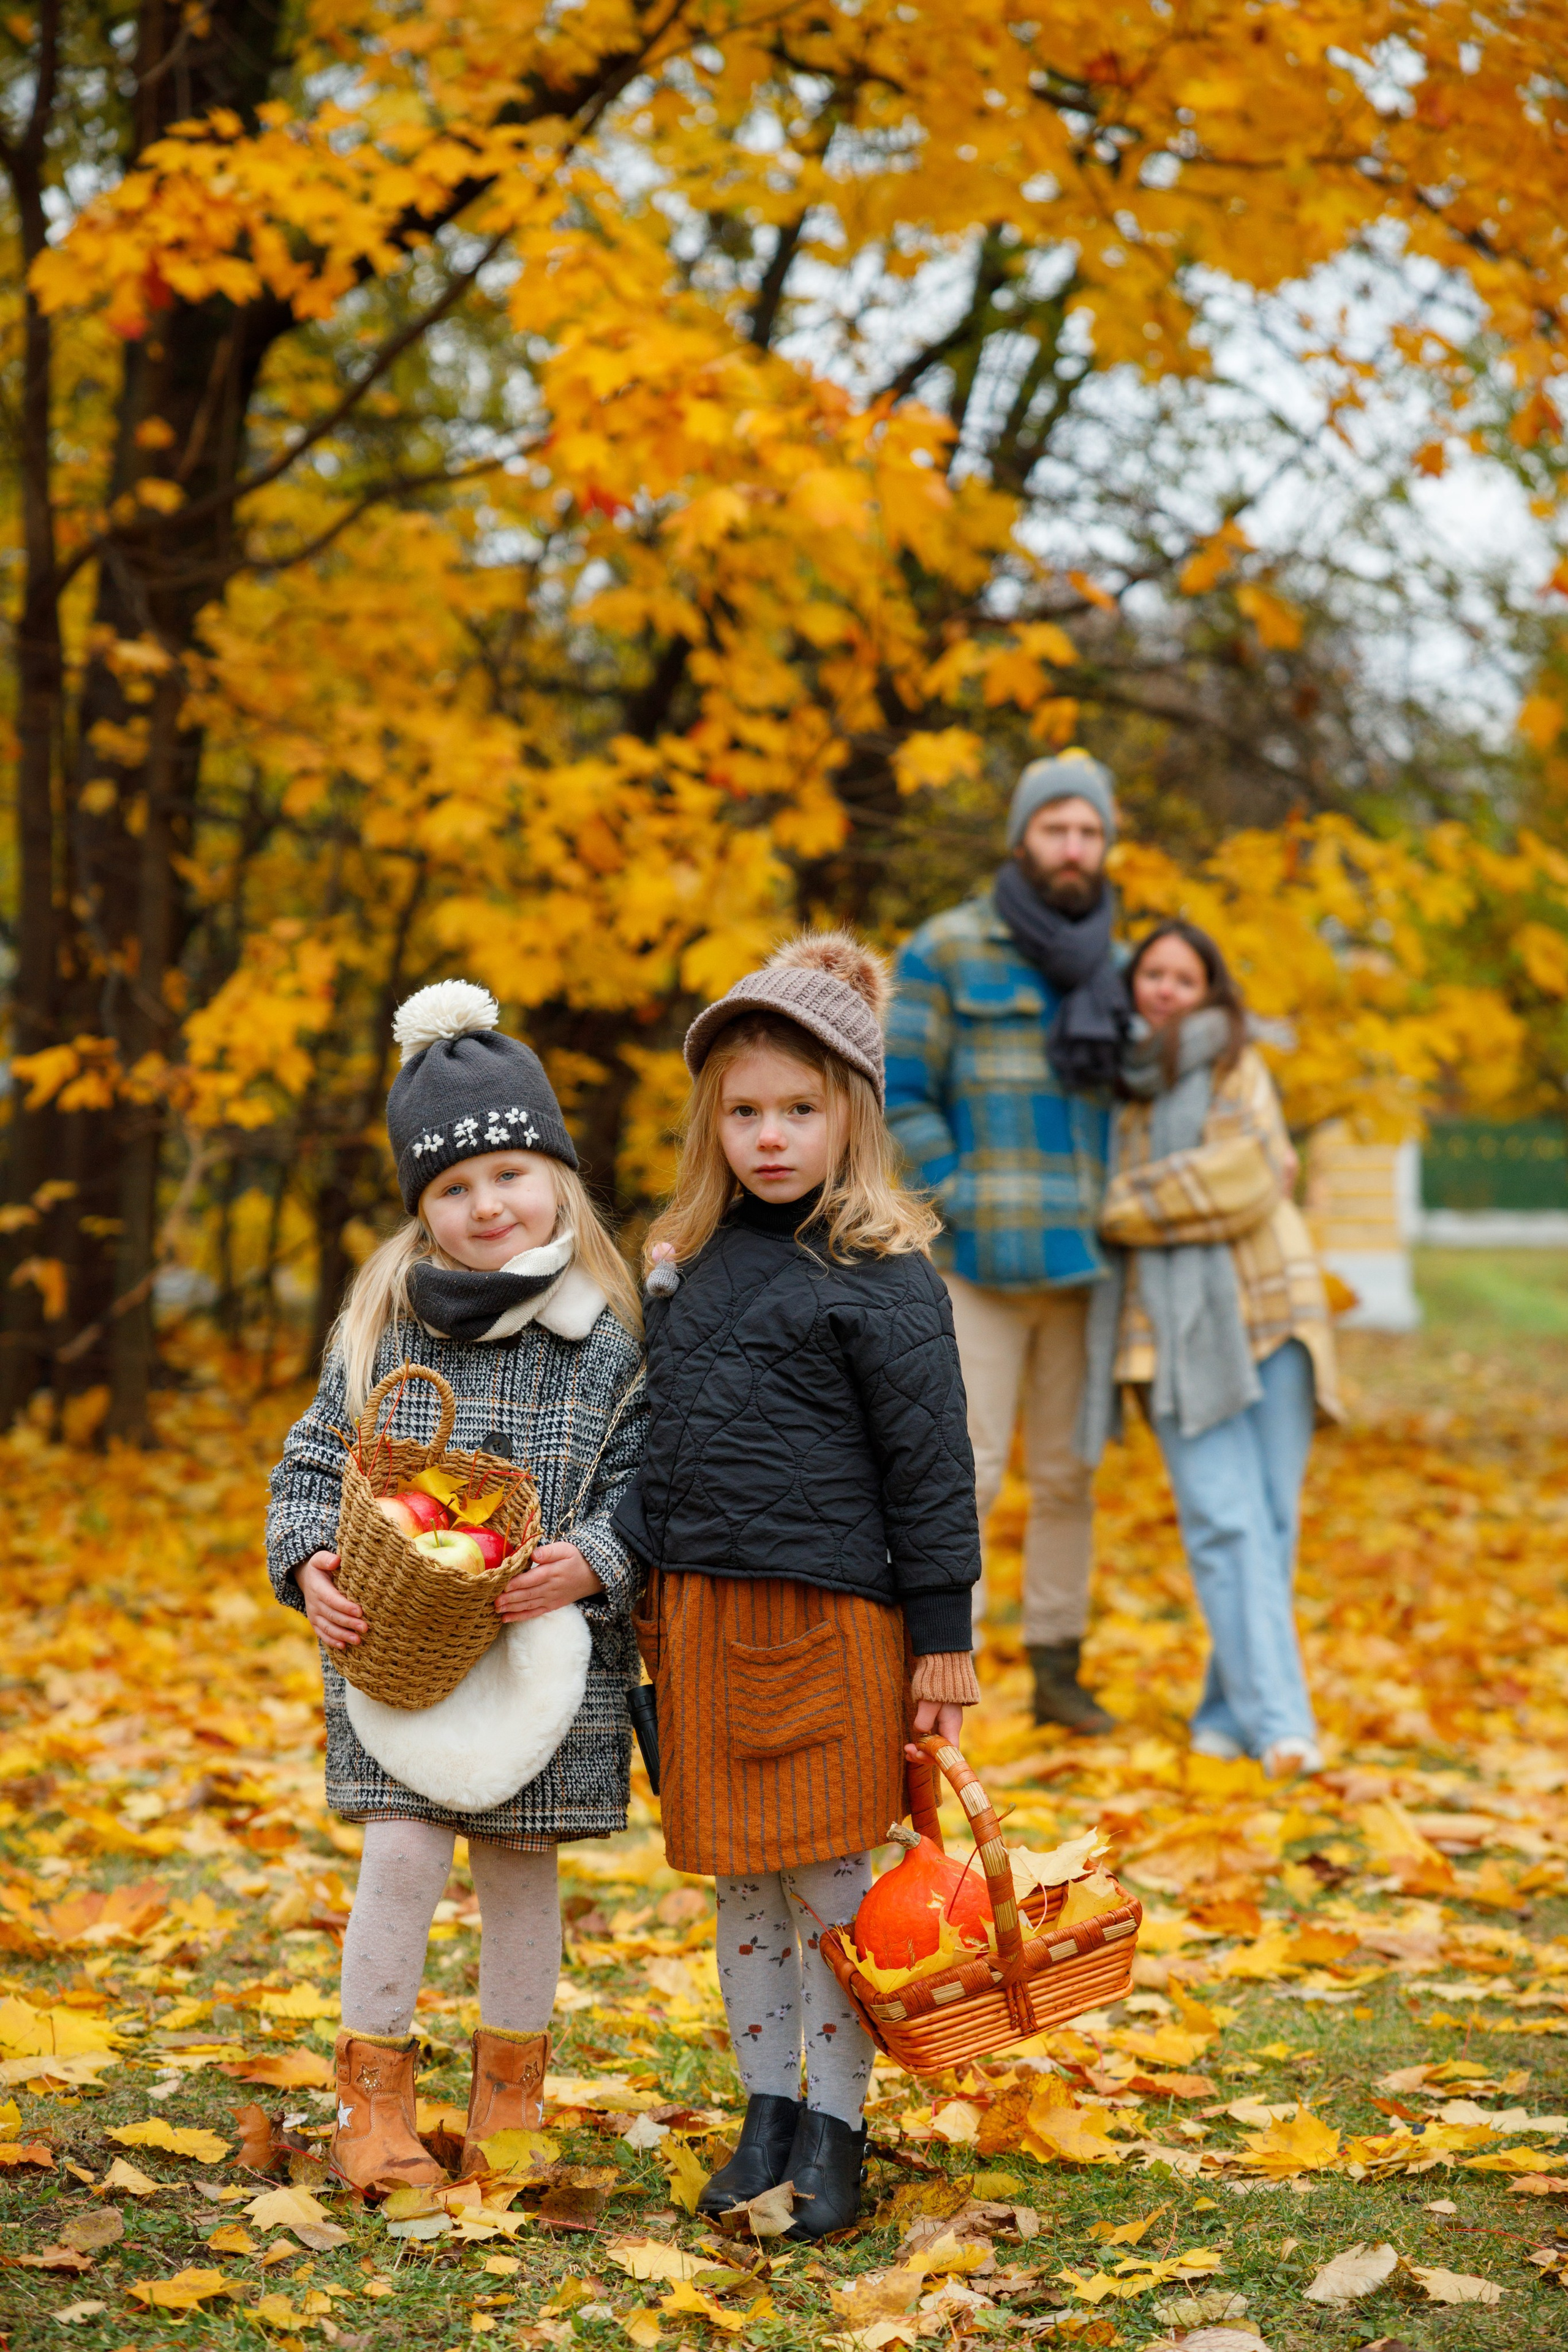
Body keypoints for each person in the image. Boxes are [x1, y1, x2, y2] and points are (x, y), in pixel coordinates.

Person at [616, 931, 982, 2239]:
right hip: (705, 1622)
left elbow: (932, 1468)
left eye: (800, 1110)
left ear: (852, 1118)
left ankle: (835, 2126)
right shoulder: (684, 1264)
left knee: (831, 1887)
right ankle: (762, 2107)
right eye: (744, 1111)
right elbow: (652, 1442)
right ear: (712, 1122)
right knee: (741, 1885)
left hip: (831, 1622)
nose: (769, 1137)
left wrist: (942, 1644)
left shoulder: (883, 1277)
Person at [266, 980, 646, 2192]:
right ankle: (369, 2100)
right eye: (452, 1188)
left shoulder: (607, 1339)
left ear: (557, 1178)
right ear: (422, 1208)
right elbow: (315, 1463)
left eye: (508, 1175)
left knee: (523, 1878)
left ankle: (509, 2106)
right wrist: (311, 1561)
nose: (486, 1206)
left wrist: (596, 1559)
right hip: (404, 1651)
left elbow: (648, 1484)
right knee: (401, 1855)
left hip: (547, 1653)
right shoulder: (387, 1326)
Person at [885, 748, 1126, 1735]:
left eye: (1090, 832)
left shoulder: (1118, 963)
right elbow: (899, 1097)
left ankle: (1061, 1670)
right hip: (977, 1259)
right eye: (1056, 828)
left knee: (1072, 1471)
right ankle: (955, 1682)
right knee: (969, 1471)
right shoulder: (947, 948)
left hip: (1091, 1263)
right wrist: (965, 1196)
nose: (1073, 848)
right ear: (1022, 836)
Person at [1082, 919, 1341, 1778]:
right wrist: (1168, 1194)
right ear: (1131, 985)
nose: (1164, 989)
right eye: (1151, 973)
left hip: (1275, 1309)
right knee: (1222, 1521)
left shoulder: (1238, 1061)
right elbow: (1218, 1184)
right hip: (1164, 1334)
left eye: (1184, 978)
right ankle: (1283, 1726)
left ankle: (1227, 1713)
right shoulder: (1114, 1087)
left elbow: (1251, 1179)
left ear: (1209, 991)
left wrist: (1128, 1201)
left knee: (1268, 1523)